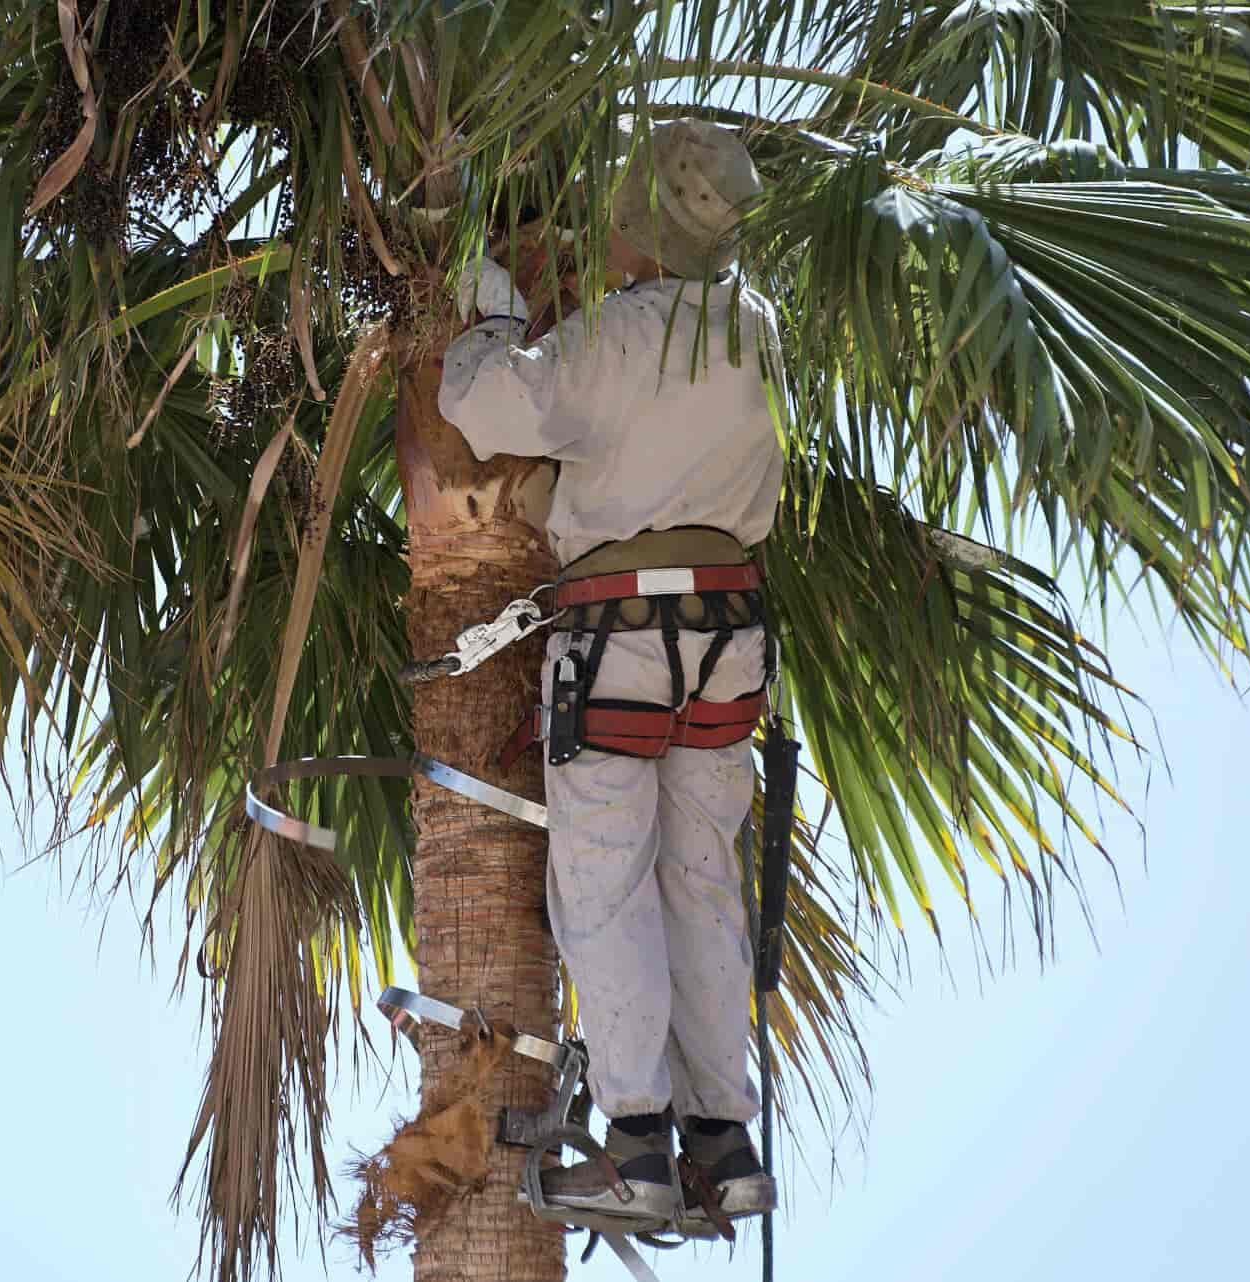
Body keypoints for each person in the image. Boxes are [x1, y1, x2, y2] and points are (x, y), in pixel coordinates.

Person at [437, 120, 783, 1232]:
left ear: (637, 225)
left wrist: (493, 316)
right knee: (700, 884)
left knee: (604, 883)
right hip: (726, 643)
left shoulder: (624, 335)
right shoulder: (755, 324)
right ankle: (723, 1147)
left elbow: (489, 409)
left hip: (620, 644)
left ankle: (636, 1143)